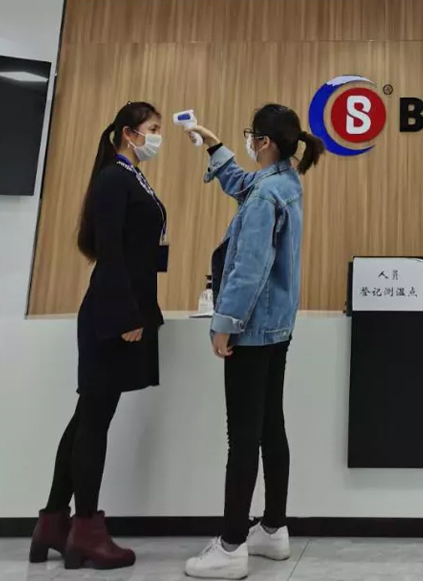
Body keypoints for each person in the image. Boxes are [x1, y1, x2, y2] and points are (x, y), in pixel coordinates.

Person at [183, 104, 324, 579]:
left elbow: (248, 268)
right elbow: (243, 183)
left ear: (263, 142)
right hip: (277, 327)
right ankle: (274, 529)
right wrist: (214, 145)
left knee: (242, 436)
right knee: (269, 427)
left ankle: (231, 546)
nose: (247, 142)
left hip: (252, 328)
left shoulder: (267, 197)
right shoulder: (284, 182)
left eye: (249, 136)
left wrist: (225, 323)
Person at [29, 102, 166, 571]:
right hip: (111, 315)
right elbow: (110, 252)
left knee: (87, 415)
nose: (157, 137)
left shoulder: (131, 177)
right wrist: (128, 314)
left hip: (120, 308)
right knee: (94, 420)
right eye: (152, 129)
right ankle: (85, 529)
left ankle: (53, 523)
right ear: (129, 133)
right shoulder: (113, 179)